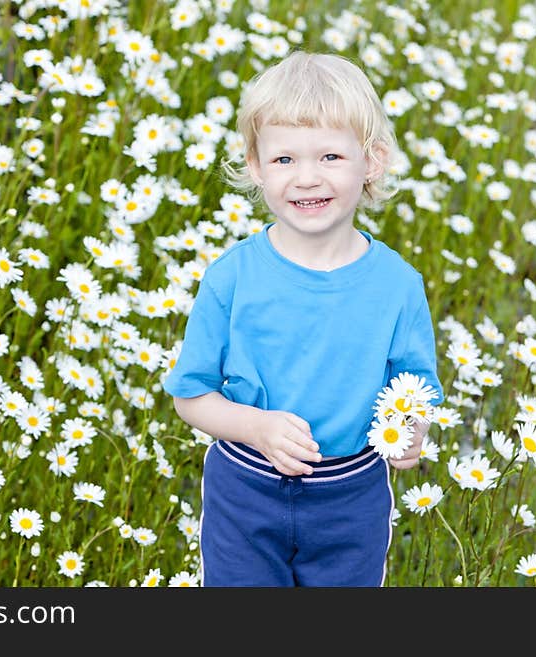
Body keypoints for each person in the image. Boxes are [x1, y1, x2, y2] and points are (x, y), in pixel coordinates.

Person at [162, 51, 445, 587]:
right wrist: (257, 428)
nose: (307, 178)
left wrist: (413, 431)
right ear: (255, 166)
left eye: (331, 157)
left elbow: (416, 388)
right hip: (245, 488)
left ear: (374, 161)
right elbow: (190, 396)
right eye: (284, 160)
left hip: (352, 493)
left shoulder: (397, 285)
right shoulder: (232, 277)